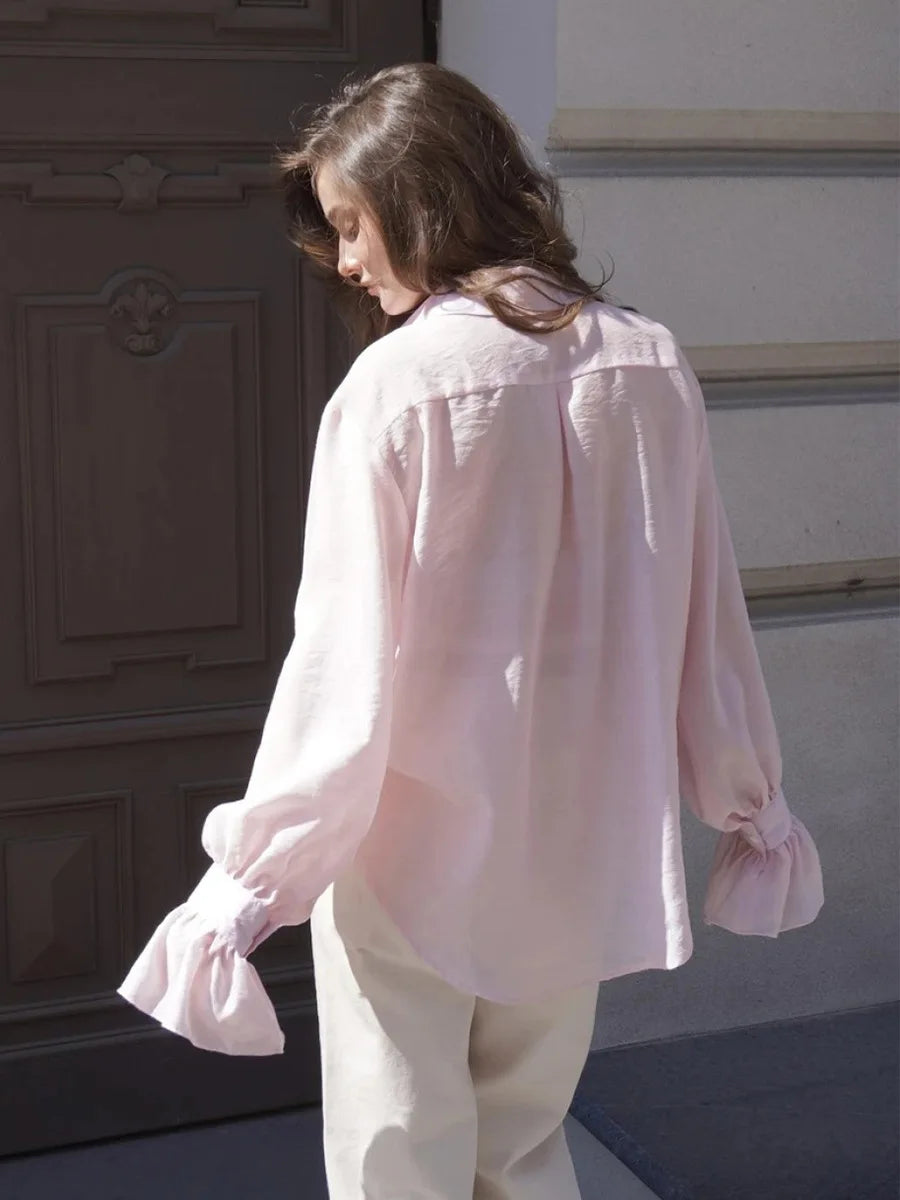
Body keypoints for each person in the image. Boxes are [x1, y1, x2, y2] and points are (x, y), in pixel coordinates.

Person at [118, 62, 824, 1200]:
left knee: (399, 1160)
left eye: (352, 223)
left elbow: (340, 673)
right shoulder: (647, 361)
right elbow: (708, 617)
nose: (344, 258)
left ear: (421, 199)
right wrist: (747, 800)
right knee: (525, 1149)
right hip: (580, 834)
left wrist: (247, 889)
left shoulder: (395, 389)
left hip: (411, 847)